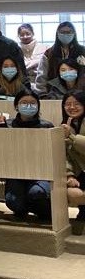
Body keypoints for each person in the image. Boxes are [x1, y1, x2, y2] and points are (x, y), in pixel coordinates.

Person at [0, 90, 53, 220]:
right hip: (16, 172)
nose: (28, 106)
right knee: (12, 201)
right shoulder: (7, 125)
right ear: (16, 106)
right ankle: (24, 206)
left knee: (37, 194)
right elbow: (0, 148)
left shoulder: (47, 126)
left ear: (38, 106)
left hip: (41, 172)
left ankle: (43, 211)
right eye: (24, 103)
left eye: (32, 103)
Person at [40, 22, 85, 93]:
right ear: (57, 34)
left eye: (69, 32)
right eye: (62, 32)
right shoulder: (49, 53)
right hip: (54, 92)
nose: (66, 35)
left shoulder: (82, 51)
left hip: (80, 92)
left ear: (74, 33)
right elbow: (42, 76)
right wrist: (42, 95)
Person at [61, 91, 85, 220]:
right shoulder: (66, 125)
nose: (71, 107)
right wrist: (69, 174)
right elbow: (63, 155)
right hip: (79, 172)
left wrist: (70, 136)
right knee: (70, 192)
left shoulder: (68, 131)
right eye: (67, 104)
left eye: (76, 104)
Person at [18, 24, 47, 91]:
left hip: (42, 85)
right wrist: (36, 62)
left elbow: (45, 68)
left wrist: (25, 66)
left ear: (33, 33)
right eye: (21, 35)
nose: (25, 37)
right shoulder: (16, 49)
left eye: (27, 34)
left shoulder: (44, 48)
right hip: (22, 85)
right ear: (18, 36)